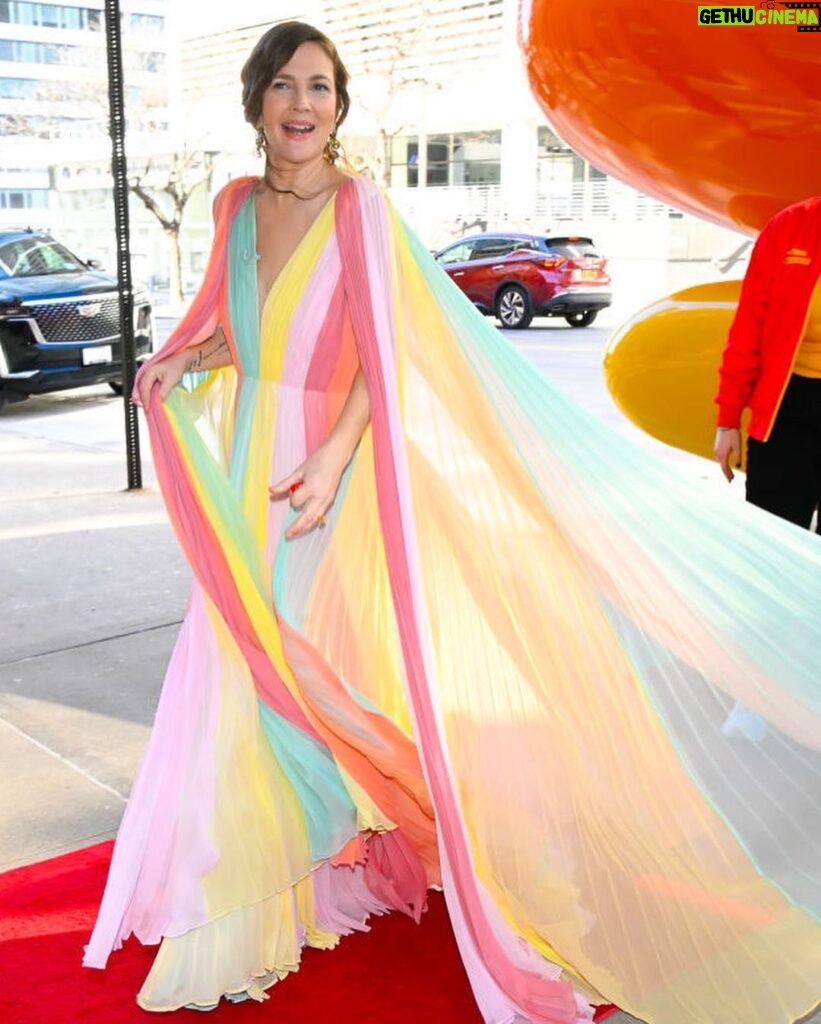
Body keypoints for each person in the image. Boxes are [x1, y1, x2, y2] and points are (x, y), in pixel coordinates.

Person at [84, 21, 821, 1024]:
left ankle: (268, 872)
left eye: (321, 88)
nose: (303, 106)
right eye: (285, 87)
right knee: (242, 663)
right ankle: (265, 871)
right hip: (251, 459)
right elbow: (238, 325)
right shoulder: (230, 206)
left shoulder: (361, 208)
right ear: (256, 101)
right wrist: (187, 356)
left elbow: (382, 353)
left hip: (320, 472)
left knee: (300, 664)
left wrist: (337, 457)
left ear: (339, 108)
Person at [714, 196, 821, 530]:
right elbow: (747, 328)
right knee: (774, 543)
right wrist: (727, 419)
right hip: (787, 411)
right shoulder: (790, 226)